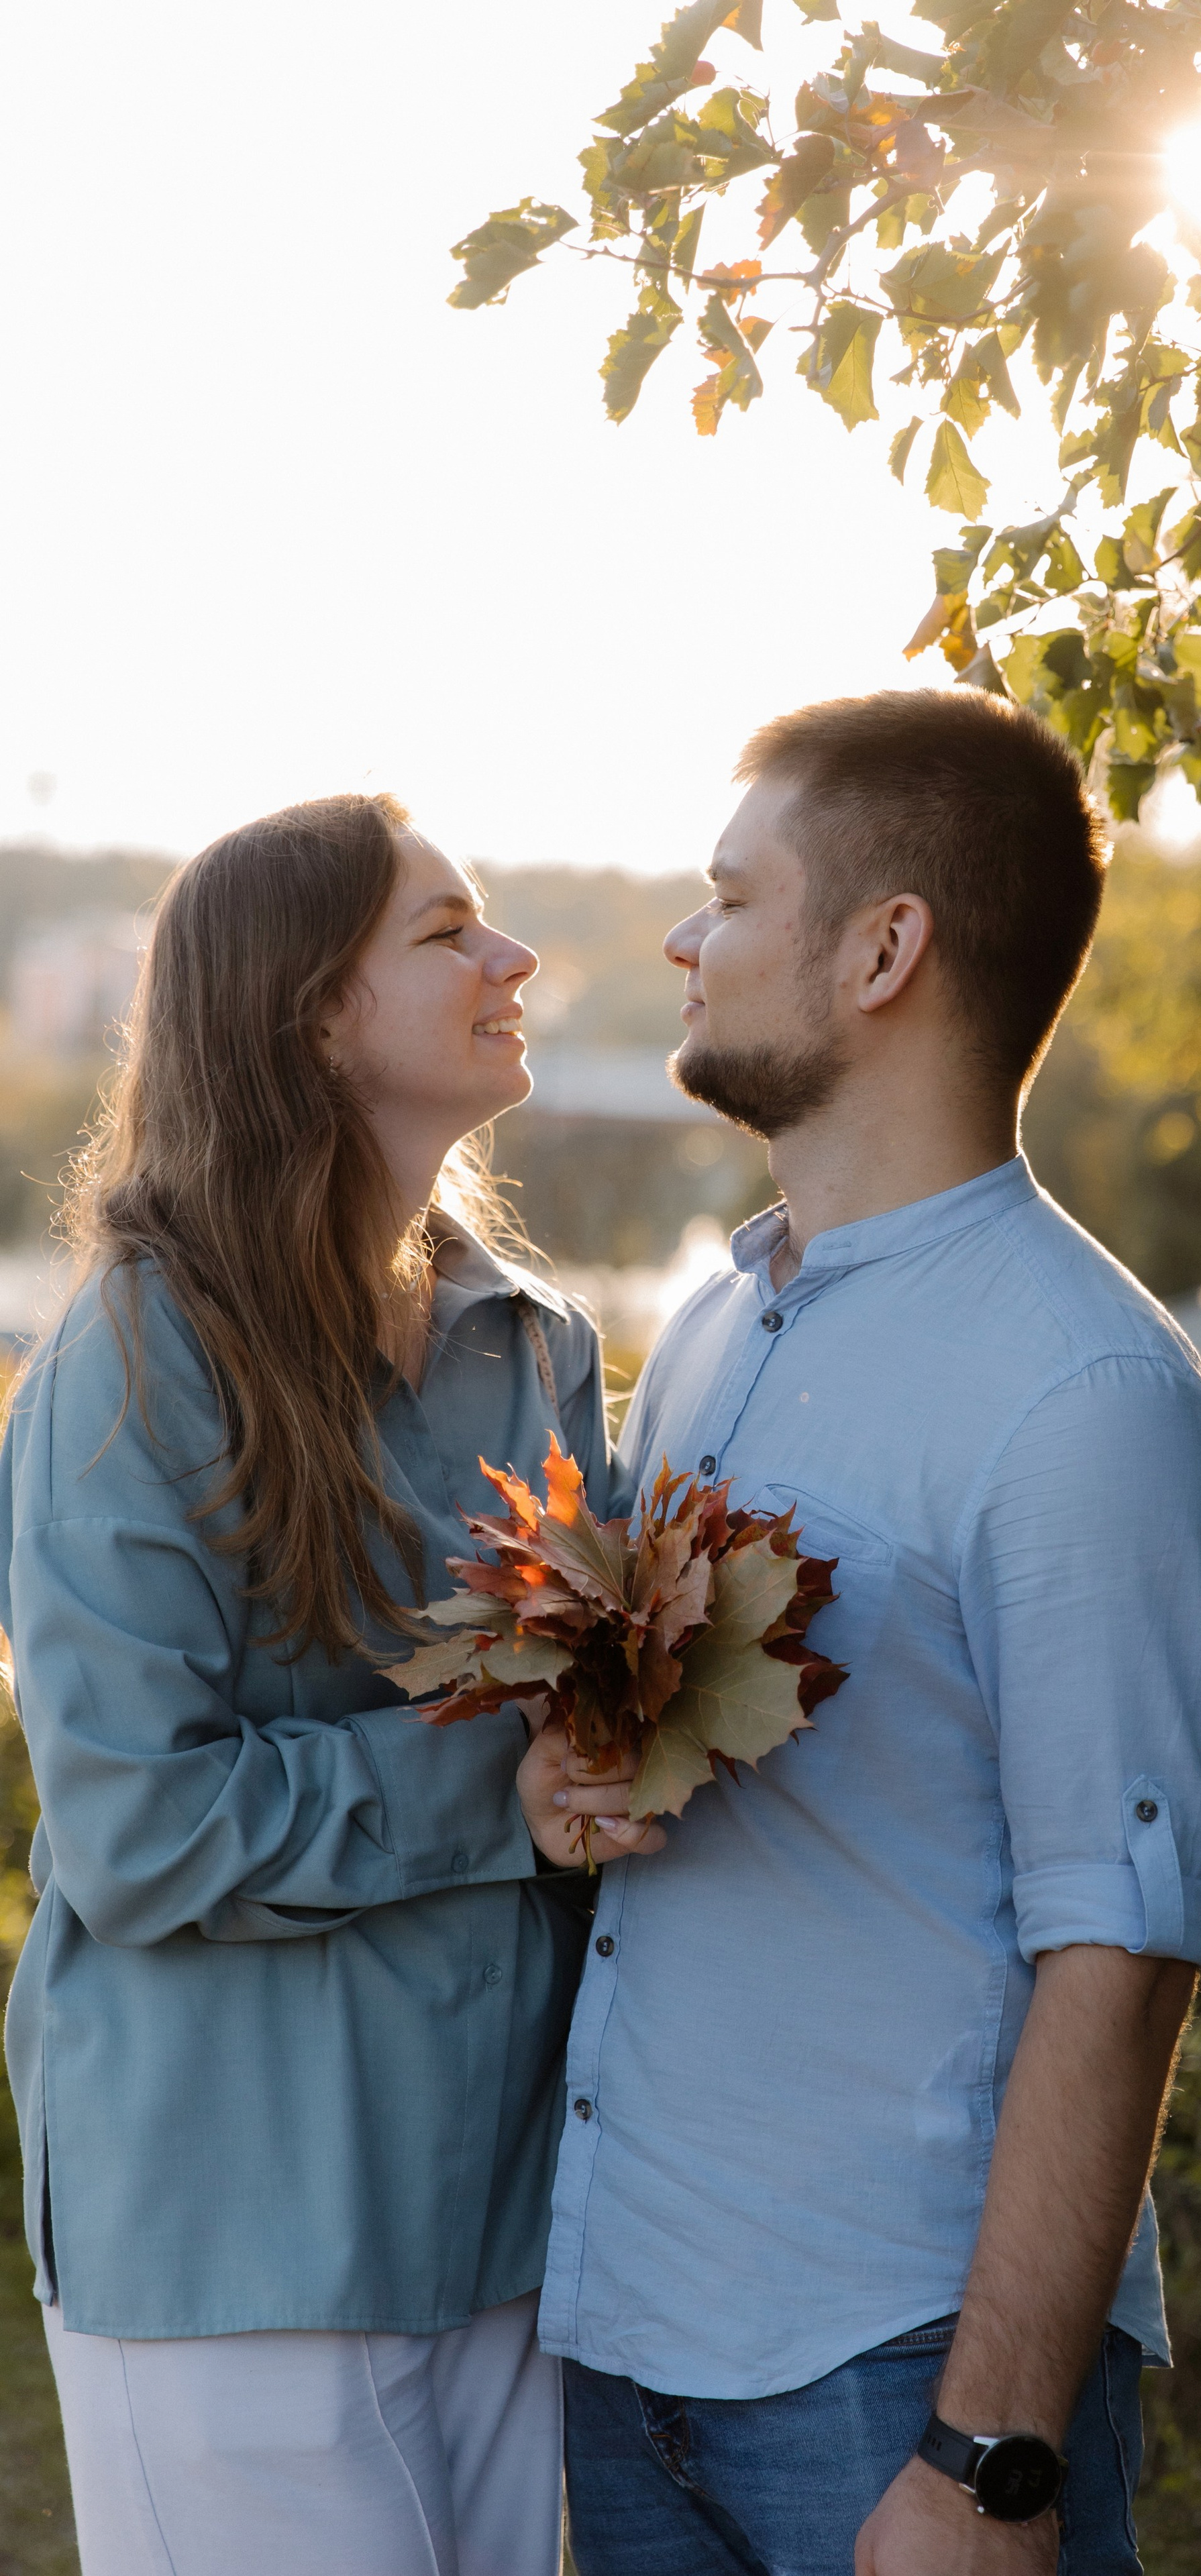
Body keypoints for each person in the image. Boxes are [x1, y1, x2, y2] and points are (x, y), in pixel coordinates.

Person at [533, 690, 1201, 2575]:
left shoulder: (1085, 1393)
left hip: (890, 2380)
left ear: (882, 950)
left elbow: (1124, 1945)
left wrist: (991, 2454)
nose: (684, 941)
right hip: (630, 2352)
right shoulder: (711, 1324)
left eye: (729, 897)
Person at [0, 793, 648, 2576]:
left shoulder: (537, 1344)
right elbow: (136, 1826)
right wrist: (495, 1795)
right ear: (308, 1011)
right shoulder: (135, 1363)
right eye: (449, 933)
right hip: (236, 2243)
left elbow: (573, 1710)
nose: (517, 959)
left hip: (508, 2225)